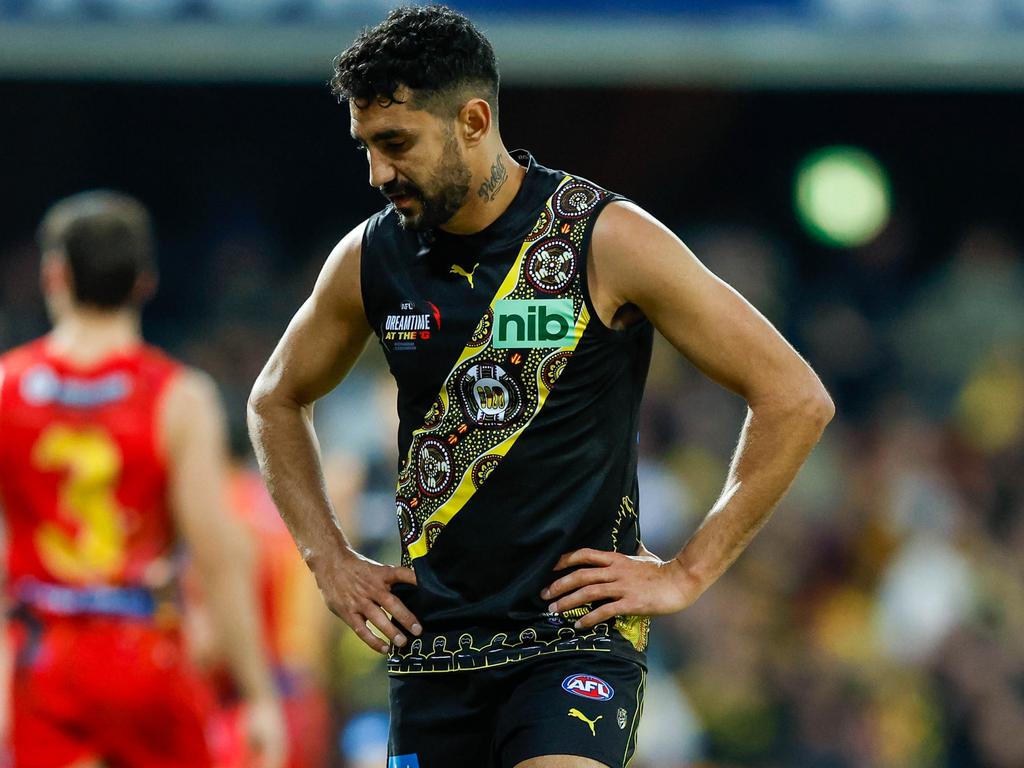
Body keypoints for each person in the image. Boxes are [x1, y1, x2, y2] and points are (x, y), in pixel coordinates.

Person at [247, 6, 834, 768]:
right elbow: (275, 400)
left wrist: (690, 571)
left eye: (396, 144)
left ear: (473, 119)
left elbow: (794, 396)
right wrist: (328, 557)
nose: (378, 174)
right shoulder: (371, 258)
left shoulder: (604, 238)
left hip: (570, 644)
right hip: (434, 654)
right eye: (366, 148)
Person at [0, 191, 286, 768]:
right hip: (142, 652)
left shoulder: (5, 388)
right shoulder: (177, 397)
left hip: (40, 658)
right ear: (145, 281)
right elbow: (219, 554)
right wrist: (259, 695)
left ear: (54, 275)